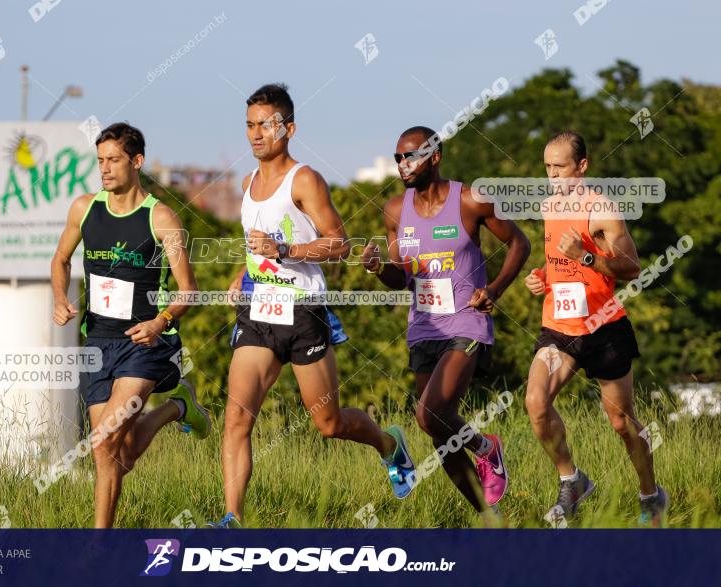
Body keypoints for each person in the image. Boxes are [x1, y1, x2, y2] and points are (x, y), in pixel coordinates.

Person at [209, 84, 414, 528]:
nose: (256, 133)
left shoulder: (304, 179)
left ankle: (388, 444)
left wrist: (285, 250)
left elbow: (339, 244)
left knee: (329, 423)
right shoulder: (247, 184)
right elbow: (257, 249)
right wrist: (242, 276)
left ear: (289, 128)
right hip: (260, 314)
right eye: (250, 124)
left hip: (304, 314)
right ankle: (232, 519)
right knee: (237, 418)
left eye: (266, 124)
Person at [362, 125, 530, 515]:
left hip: (466, 322)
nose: (403, 164)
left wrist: (496, 289)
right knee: (439, 432)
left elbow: (520, 242)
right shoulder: (393, 211)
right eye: (398, 158)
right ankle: (490, 521)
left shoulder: (470, 200)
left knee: (429, 414)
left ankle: (487, 447)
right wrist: (376, 267)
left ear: (435, 157)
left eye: (412, 156)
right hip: (424, 328)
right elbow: (401, 278)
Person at [51, 122, 210, 528]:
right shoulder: (84, 208)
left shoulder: (162, 219)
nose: (104, 168)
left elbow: (188, 290)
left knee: (105, 439)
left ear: (136, 161)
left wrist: (161, 322)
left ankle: (98, 542)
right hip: (97, 342)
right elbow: (60, 260)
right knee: (110, 455)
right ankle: (177, 407)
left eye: (113, 160)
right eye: (100, 160)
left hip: (146, 343)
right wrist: (59, 298)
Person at [523, 131, 668, 527]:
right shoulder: (550, 205)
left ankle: (650, 494)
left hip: (604, 327)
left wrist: (587, 254)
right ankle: (572, 481)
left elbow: (632, 269)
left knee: (621, 422)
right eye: (547, 167)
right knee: (536, 402)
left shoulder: (601, 209)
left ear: (582, 166)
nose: (552, 176)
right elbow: (556, 262)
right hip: (560, 326)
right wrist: (540, 276)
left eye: (560, 167)